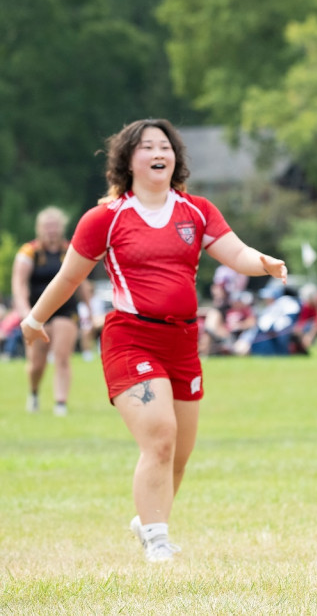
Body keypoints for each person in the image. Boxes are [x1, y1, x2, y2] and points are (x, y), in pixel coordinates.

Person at [19, 118, 287, 563]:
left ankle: (148, 520)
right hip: (131, 338)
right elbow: (69, 277)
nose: (158, 152)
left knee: (178, 454)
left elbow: (236, 252)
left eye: (165, 145)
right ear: (128, 160)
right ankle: (158, 539)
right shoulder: (105, 218)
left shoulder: (197, 211)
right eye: (146, 147)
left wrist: (264, 261)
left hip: (183, 341)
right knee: (160, 436)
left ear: (175, 158)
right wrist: (34, 318)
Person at [12, 207, 80, 416]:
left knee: (62, 355)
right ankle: (34, 392)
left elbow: (81, 281)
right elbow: (19, 284)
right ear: (39, 228)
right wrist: (26, 314)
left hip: (66, 311)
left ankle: (60, 403)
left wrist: (88, 309)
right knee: (37, 363)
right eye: (47, 226)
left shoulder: (69, 249)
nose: (51, 230)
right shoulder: (29, 252)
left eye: (55, 226)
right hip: (38, 312)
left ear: (61, 227)